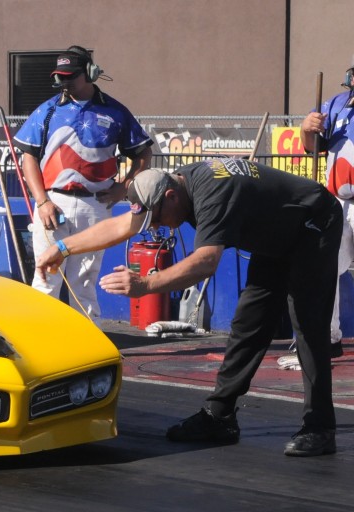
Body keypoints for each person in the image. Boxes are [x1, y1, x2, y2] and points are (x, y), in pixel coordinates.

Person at [37, 160, 341, 457]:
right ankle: (219, 416)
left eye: (156, 219)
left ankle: (320, 427)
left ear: (171, 197)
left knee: (308, 322)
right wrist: (63, 248)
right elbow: (121, 225)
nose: (154, 227)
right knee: (249, 324)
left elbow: (206, 263)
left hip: (314, 224)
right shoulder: (169, 187)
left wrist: (144, 285)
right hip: (276, 236)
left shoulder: (213, 195)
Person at [13, 46, 152, 318]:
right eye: (59, 77)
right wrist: (42, 202)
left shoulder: (115, 111)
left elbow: (143, 152)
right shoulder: (48, 110)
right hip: (53, 202)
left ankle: (88, 343)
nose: (63, 82)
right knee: (45, 278)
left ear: (90, 73)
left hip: (95, 204)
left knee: (85, 281)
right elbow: (27, 156)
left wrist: (124, 187)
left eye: (69, 76)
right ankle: (42, 342)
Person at [282, 61, 354, 369]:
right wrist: (307, 128)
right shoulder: (337, 104)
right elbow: (314, 146)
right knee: (328, 269)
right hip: (337, 199)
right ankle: (328, 337)